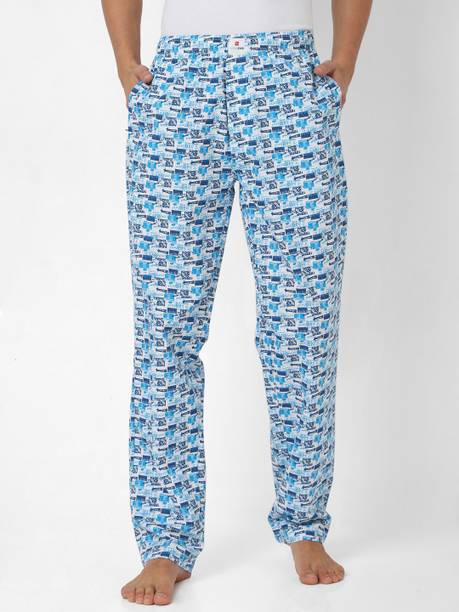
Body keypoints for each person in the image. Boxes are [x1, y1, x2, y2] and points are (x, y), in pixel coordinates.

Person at [102, 0, 372, 605]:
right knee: (166, 328)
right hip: (180, 86)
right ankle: (165, 541)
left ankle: (304, 522)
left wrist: (346, 56)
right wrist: (125, 60)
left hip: (287, 81)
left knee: (303, 322)